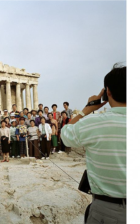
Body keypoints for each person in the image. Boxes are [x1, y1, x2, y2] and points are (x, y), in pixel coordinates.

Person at [61, 64, 126, 224]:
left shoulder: (93, 123)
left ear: (107, 92)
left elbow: (66, 134)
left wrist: (86, 110)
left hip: (107, 209)